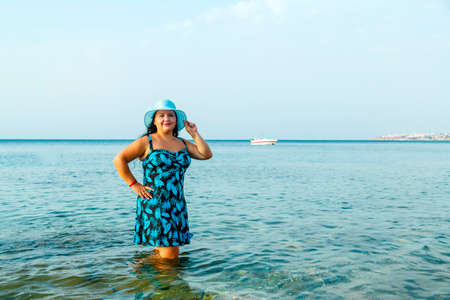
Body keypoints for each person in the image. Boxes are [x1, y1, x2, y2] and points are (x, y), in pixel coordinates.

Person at [113, 99, 212, 260]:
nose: (167, 119)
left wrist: (194, 134)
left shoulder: (183, 143)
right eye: (162, 115)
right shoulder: (147, 141)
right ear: (154, 120)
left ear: (176, 120)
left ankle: (144, 273)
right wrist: (134, 184)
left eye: (171, 115)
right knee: (170, 256)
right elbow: (119, 160)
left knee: (167, 252)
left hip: (177, 203)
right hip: (156, 202)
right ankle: (153, 276)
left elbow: (206, 154)